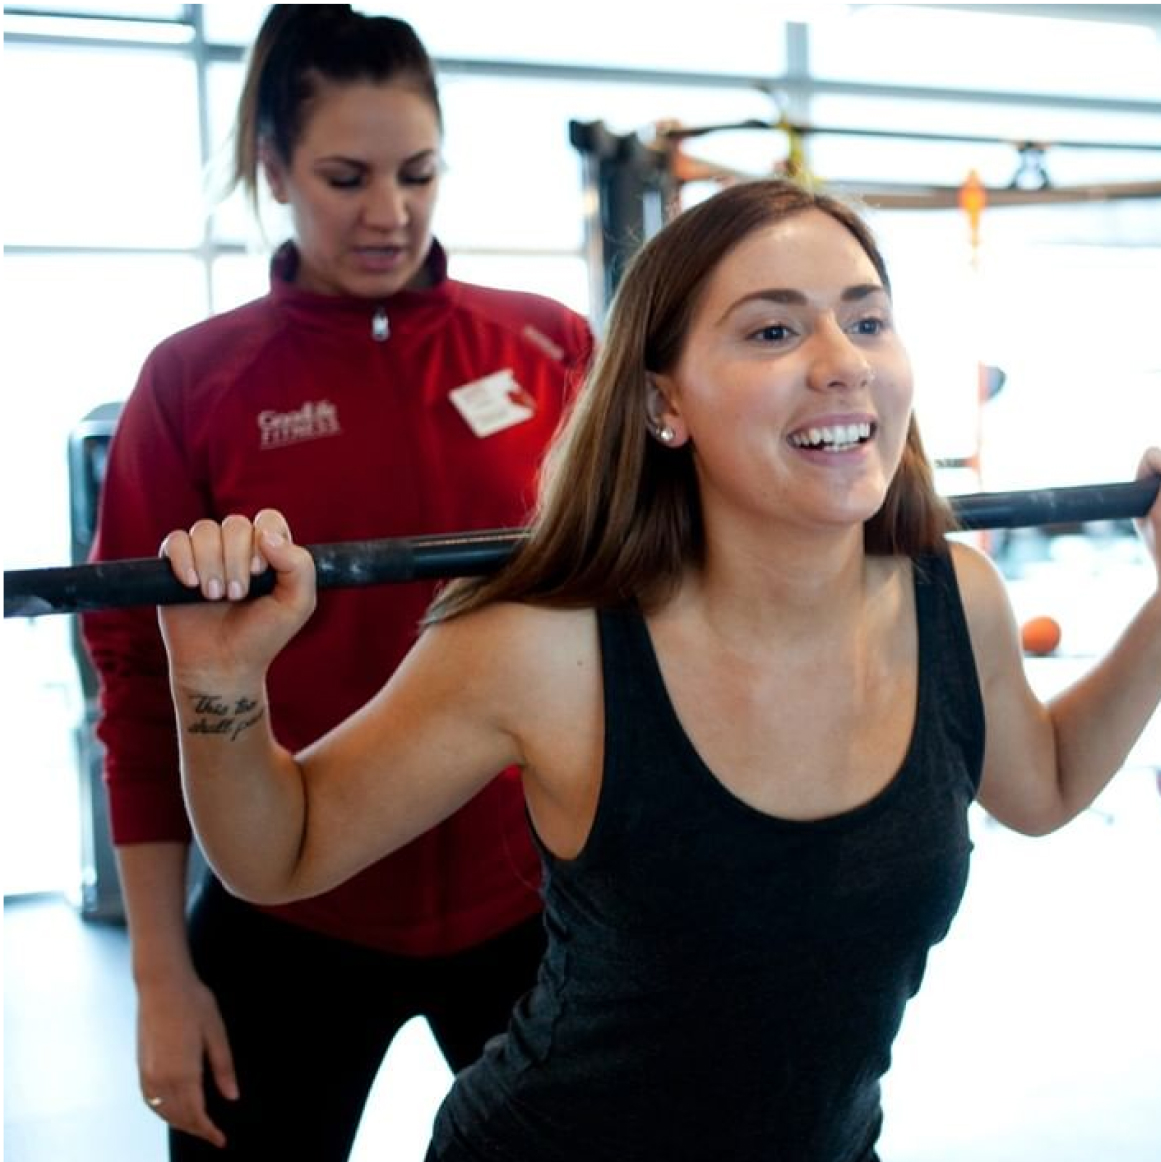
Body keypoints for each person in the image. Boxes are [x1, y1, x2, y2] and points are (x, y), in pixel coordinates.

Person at [153, 178, 1161, 1162]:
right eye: (774, 331)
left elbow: (1049, 782)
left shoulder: (955, 599)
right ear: (661, 402)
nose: (842, 363)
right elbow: (279, 852)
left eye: (866, 321)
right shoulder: (550, 646)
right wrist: (218, 684)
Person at [80, 6, 593, 1158]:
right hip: (288, 909)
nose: (389, 212)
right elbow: (135, 685)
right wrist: (161, 978)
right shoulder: (195, 381)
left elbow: (639, 612)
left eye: (418, 172)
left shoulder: (549, 348)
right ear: (274, 170)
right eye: (345, 176)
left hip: (531, 898)